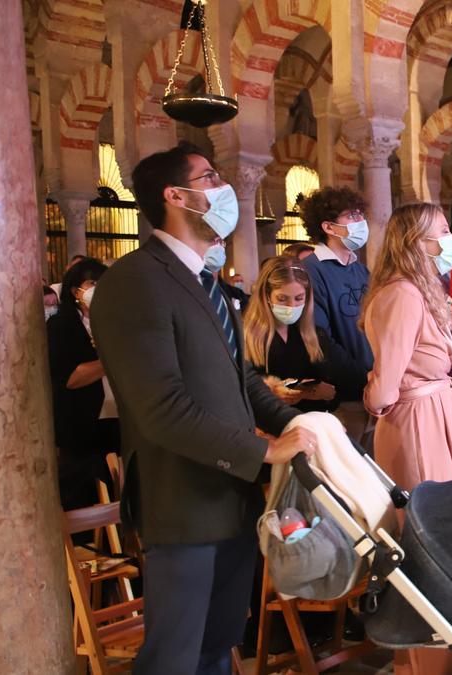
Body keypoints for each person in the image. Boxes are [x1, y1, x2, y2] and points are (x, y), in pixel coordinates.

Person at [91, 143, 313, 674]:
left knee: (218, 646)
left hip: (231, 496)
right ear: (175, 196)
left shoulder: (204, 282)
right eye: (209, 177)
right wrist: (264, 450)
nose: (224, 188)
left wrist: (305, 425)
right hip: (183, 501)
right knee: (175, 655)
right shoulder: (135, 280)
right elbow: (161, 408)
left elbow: (244, 386)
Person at [360, 203, 452, 675]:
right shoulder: (401, 294)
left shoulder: (420, 288)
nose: (450, 240)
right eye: (443, 232)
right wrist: (380, 399)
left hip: (437, 410)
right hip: (416, 421)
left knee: (447, 535)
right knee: (428, 538)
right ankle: (430, 663)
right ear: (414, 242)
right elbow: (385, 386)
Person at [243, 256, 366, 415]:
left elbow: (350, 373)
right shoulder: (246, 337)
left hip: (313, 423)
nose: (291, 306)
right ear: (266, 295)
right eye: (282, 299)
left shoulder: (314, 335)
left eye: (299, 298)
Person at [300, 186, 375, 442]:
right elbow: (320, 337)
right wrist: (362, 378)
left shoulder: (361, 270)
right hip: (345, 396)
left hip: (374, 390)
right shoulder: (311, 270)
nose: (361, 222)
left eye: (360, 215)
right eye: (352, 216)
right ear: (329, 227)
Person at [47, 257, 119, 510]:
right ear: (75, 291)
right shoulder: (61, 325)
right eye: (92, 283)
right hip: (82, 423)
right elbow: (71, 378)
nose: (100, 289)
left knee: (118, 486)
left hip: (117, 418)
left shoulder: (113, 324)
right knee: (86, 491)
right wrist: (114, 359)